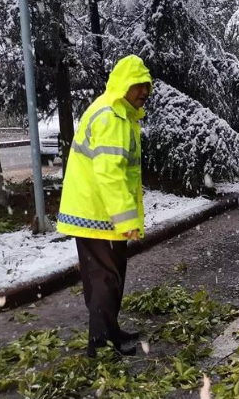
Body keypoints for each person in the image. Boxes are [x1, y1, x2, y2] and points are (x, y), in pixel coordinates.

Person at [57, 55, 152, 357]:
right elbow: (110, 175)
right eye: (138, 86)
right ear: (124, 85)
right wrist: (126, 221)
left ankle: (109, 330)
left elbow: (123, 174)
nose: (144, 93)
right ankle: (99, 342)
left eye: (147, 87)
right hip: (95, 213)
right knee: (105, 278)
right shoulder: (111, 117)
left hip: (100, 212)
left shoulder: (121, 114)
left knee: (111, 275)